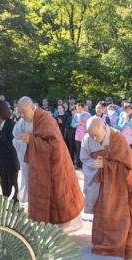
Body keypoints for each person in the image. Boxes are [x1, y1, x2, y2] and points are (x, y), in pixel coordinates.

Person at [80, 116, 132, 258]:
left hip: (119, 186)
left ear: (105, 128)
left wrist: (106, 165)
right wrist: (95, 164)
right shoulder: (87, 139)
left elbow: (129, 166)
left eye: (96, 135)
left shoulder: (118, 139)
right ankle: (101, 242)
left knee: (118, 214)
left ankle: (119, 245)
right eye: (91, 134)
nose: (93, 137)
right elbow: (84, 158)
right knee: (101, 212)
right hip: (100, 183)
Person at [16, 96, 83, 232]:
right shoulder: (25, 121)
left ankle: (56, 229)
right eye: (20, 112)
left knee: (57, 196)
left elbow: (55, 145)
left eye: (24, 111)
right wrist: (28, 140)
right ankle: (41, 227)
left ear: (32, 107)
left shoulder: (46, 120)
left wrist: (32, 140)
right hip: (38, 168)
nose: (22, 115)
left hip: (53, 166)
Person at [0, 100, 20, 202]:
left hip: (10, 162)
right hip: (0, 162)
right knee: (4, 189)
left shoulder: (12, 124)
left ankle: (15, 211)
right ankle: (6, 210)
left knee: (13, 189)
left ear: (3, 110)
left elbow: (10, 144)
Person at [12, 117, 33, 204]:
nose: (23, 114)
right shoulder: (21, 121)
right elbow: (15, 137)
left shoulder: (41, 121)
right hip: (25, 156)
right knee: (26, 177)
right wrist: (22, 139)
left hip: (38, 158)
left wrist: (32, 138)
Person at [71, 103, 91, 170]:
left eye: (80, 108)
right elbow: (72, 124)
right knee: (78, 150)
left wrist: (83, 123)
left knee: (85, 150)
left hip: (85, 135)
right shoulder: (76, 115)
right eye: (77, 109)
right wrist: (77, 123)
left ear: (83, 108)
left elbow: (90, 125)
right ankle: (78, 164)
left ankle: (85, 163)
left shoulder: (88, 115)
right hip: (78, 135)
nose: (78, 110)